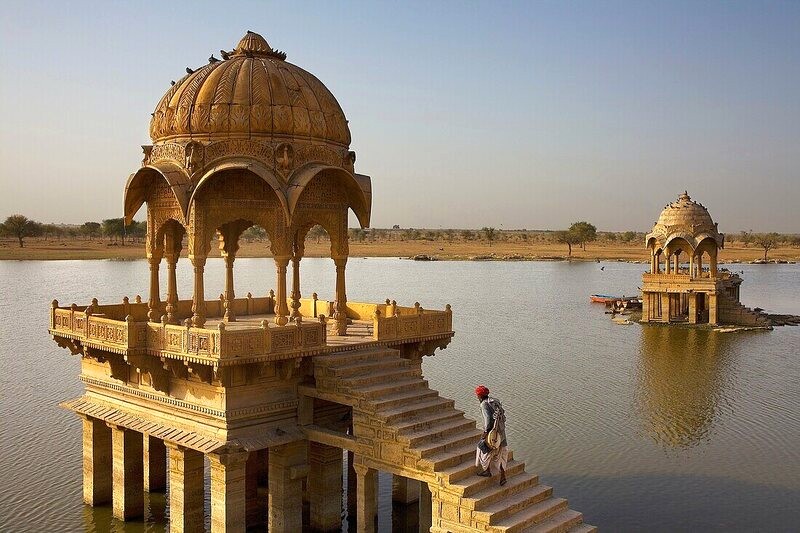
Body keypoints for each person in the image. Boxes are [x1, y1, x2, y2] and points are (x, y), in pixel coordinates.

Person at [474, 385, 508, 485]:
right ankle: (503, 476)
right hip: (501, 433)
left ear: (479, 396)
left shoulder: (484, 404)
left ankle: (487, 470)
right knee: (500, 454)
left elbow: (488, 420)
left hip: (492, 434)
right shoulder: (495, 401)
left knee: (482, 448)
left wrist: (485, 433)